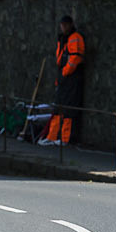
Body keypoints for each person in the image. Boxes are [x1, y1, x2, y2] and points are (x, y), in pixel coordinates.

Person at [39, 16, 85, 146]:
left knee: (68, 109)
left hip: (72, 77)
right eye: (62, 25)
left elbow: (75, 58)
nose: (63, 27)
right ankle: (52, 136)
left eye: (65, 25)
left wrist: (64, 73)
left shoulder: (75, 37)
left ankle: (65, 139)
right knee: (58, 108)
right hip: (64, 77)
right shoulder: (63, 39)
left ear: (71, 25)